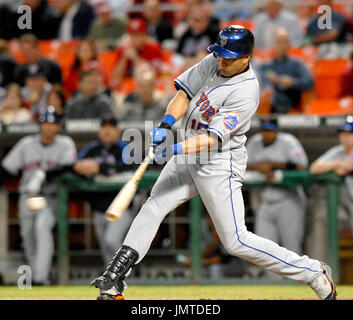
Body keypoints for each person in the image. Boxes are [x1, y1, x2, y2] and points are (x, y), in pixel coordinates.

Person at [90, 25, 337, 300]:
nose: (222, 61)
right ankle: (114, 280)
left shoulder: (246, 91)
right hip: (188, 153)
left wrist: (172, 149)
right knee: (153, 206)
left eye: (229, 57)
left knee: (236, 241)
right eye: (220, 54)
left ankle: (312, 271)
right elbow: (183, 93)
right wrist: (166, 123)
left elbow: (211, 140)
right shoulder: (215, 61)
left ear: (247, 58)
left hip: (218, 164)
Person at [0, 106, 77, 285]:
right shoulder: (26, 144)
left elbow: (68, 167)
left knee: (42, 228)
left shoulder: (66, 143)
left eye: (52, 123)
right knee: (28, 239)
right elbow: (5, 169)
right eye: (44, 123)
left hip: (51, 197)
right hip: (27, 196)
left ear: (58, 126)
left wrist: (42, 174)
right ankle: (37, 277)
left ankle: (39, 278)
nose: (48, 127)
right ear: (40, 125)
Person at [246, 117, 308, 279]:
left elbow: (302, 166)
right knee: (264, 250)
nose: (267, 134)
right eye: (265, 130)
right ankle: (273, 288)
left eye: (271, 130)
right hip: (265, 202)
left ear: (277, 131)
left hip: (289, 201)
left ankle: (297, 288)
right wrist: (259, 166)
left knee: (292, 247)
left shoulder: (289, 142)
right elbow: (240, 164)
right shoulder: (254, 142)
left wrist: (273, 164)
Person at [73, 116, 137, 265]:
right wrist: (80, 167)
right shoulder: (91, 148)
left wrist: (99, 168)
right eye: (104, 127)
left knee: (111, 240)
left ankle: (125, 274)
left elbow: (129, 167)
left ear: (118, 131)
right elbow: (76, 164)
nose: (107, 131)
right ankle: (113, 280)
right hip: (99, 207)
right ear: (99, 131)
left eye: (111, 127)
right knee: (104, 245)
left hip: (121, 206)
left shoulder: (126, 148)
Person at [308, 117, 353, 262]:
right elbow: (315, 168)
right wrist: (338, 163)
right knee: (321, 216)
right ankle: (318, 270)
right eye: (343, 133)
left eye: (349, 133)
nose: (345, 137)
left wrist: (342, 166)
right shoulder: (338, 151)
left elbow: (348, 167)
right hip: (346, 205)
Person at [258, 28, 314, 114]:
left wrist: (293, 82)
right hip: (268, 104)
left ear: (289, 44)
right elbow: (261, 85)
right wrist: (270, 83)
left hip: (289, 103)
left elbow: (309, 82)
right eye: (279, 41)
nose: (282, 45)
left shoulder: (296, 64)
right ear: (273, 44)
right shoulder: (265, 66)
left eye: (284, 41)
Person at [110, 18, 164, 89]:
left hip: (148, 87)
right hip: (127, 87)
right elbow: (116, 76)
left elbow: (155, 74)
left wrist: (135, 58)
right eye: (132, 35)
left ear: (145, 35)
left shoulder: (154, 48)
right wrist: (124, 58)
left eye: (138, 35)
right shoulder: (123, 49)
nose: (135, 39)